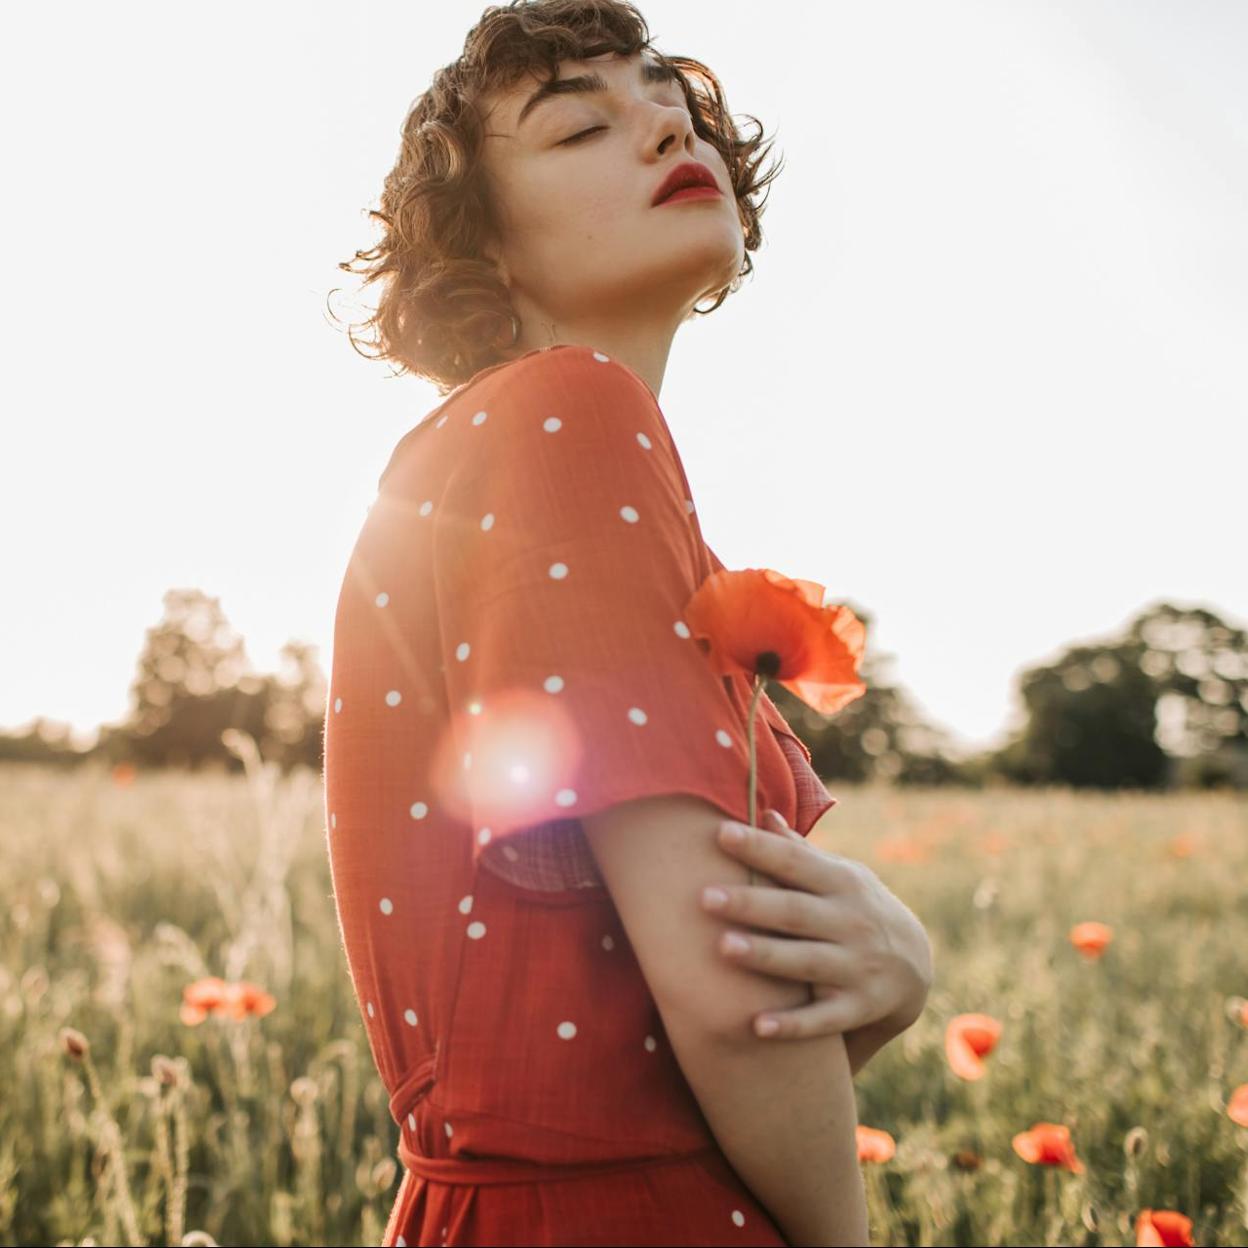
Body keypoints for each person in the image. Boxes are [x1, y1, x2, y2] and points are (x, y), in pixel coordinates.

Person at [325, 3, 932, 1244]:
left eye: (666, 96)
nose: (664, 126)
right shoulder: (566, 414)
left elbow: (652, 1048)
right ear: (484, 251)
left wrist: (890, 973)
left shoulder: (511, 459)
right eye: (579, 127)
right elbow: (728, 999)